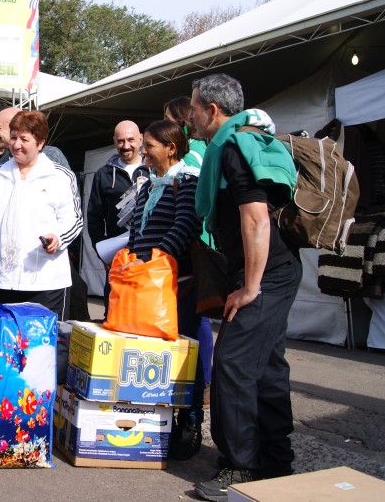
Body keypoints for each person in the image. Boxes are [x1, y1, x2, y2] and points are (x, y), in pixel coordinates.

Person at [189, 74, 301, 502]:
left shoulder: (235, 147)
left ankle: (239, 468)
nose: (191, 119)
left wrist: (250, 286)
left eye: (195, 110)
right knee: (268, 365)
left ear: (213, 111)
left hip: (267, 274)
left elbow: (255, 217)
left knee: (233, 363)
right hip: (275, 269)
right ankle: (277, 461)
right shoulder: (244, 141)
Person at [0, 111, 83, 320]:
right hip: (3, 280)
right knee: (5, 347)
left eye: (24, 139)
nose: (17, 144)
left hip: (45, 282)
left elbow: (73, 220)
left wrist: (58, 238)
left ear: (40, 142)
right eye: (14, 137)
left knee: (41, 348)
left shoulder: (60, 176)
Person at [126, 119, 205, 460]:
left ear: (171, 148)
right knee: (152, 357)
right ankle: (156, 423)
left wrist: (157, 259)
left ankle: (190, 422)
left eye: (150, 145)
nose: (144, 150)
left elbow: (186, 224)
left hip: (176, 284)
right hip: (145, 283)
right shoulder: (147, 184)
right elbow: (135, 228)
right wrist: (131, 257)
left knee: (185, 353)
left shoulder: (187, 181)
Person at [165, 95, 216, 426]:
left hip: (197, 250)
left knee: (196, 322)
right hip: (198, 247)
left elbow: (193, 209)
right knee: (198, 321)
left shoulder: (193, 157)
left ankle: (200, 391)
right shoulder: (200, 152)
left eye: (168, 119)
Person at [86, 120, 149, 318]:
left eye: (131, 140)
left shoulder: (153, 170)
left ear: (140, 139)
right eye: (120, 141)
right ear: (114, 142)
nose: (126, 146)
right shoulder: (103, 175)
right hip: (117, 257)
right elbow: (94, 218)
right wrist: (103, 254)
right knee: (114, 312)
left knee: (146, 312)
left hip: (149, 255)